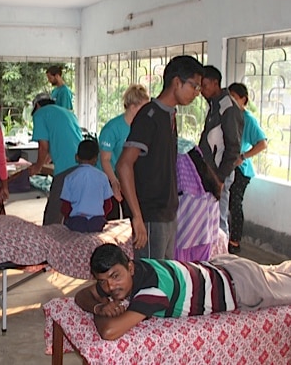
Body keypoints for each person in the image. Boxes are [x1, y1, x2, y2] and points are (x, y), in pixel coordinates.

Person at [74, 243, 291, 341]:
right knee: (283, 271)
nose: (110, 288)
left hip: (241, 285)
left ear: (130, 268)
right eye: (103, 282)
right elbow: (81, 295)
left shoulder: (152, 290)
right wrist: (99, 305)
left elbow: (109, 332)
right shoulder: (131, 272)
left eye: (114, 277)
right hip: (220, 266)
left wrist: (101, 312)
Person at [116, 55, 204, 259]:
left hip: (168, 213)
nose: (197, 93)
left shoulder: (170, 115)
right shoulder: (149, 116)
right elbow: (124, 165)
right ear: (177, 82)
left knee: (165, 278)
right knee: (150, 279)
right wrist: (137, 217)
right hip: (151, 215)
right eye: (194, 86)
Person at [198, 65, 244, 238]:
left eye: (204, 85)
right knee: (210, 218)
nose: (201, 90)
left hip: (220, 174)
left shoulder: (228, 107)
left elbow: (233, 148)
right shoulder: (214, 104)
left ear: (215, 83)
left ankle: (223, 258)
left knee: (219, 220)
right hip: (211, 173)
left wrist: (220, 178)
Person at [28, 93, 83, 225]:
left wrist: (37, 167)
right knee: (75, 207)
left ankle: (48, 241)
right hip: (83, 163)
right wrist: (48, 158)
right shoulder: (68, 113)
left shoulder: (40, 114)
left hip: (66, 166)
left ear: (37, 105)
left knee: (54, 211)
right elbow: (64, 138)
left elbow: (43, 146)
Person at [98, 84, 149, 220]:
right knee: (112, 218)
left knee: (133, 215)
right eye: (143, 108)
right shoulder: (112, 128)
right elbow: (105, 160)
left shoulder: (143, 127)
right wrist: (114, 182)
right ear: (132, 107)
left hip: (129, 176)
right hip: (109, 177)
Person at [227, 83, 268, 254]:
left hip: (240, 169)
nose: (231, 102)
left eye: (235, 98)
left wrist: (243, 157)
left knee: (235, 204)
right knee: (225, 204)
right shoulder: (228, 115)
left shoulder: (248, 119)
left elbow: (262, 143)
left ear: (243, 100)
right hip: (227, 166)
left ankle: (235, 242)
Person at [60, 139, 113, 233]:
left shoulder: (69, 177)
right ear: (96, 159)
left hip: (77, 222)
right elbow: (108, 205)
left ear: (77, 157)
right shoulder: (103, 177)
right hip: (97, 222)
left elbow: (65, 207)